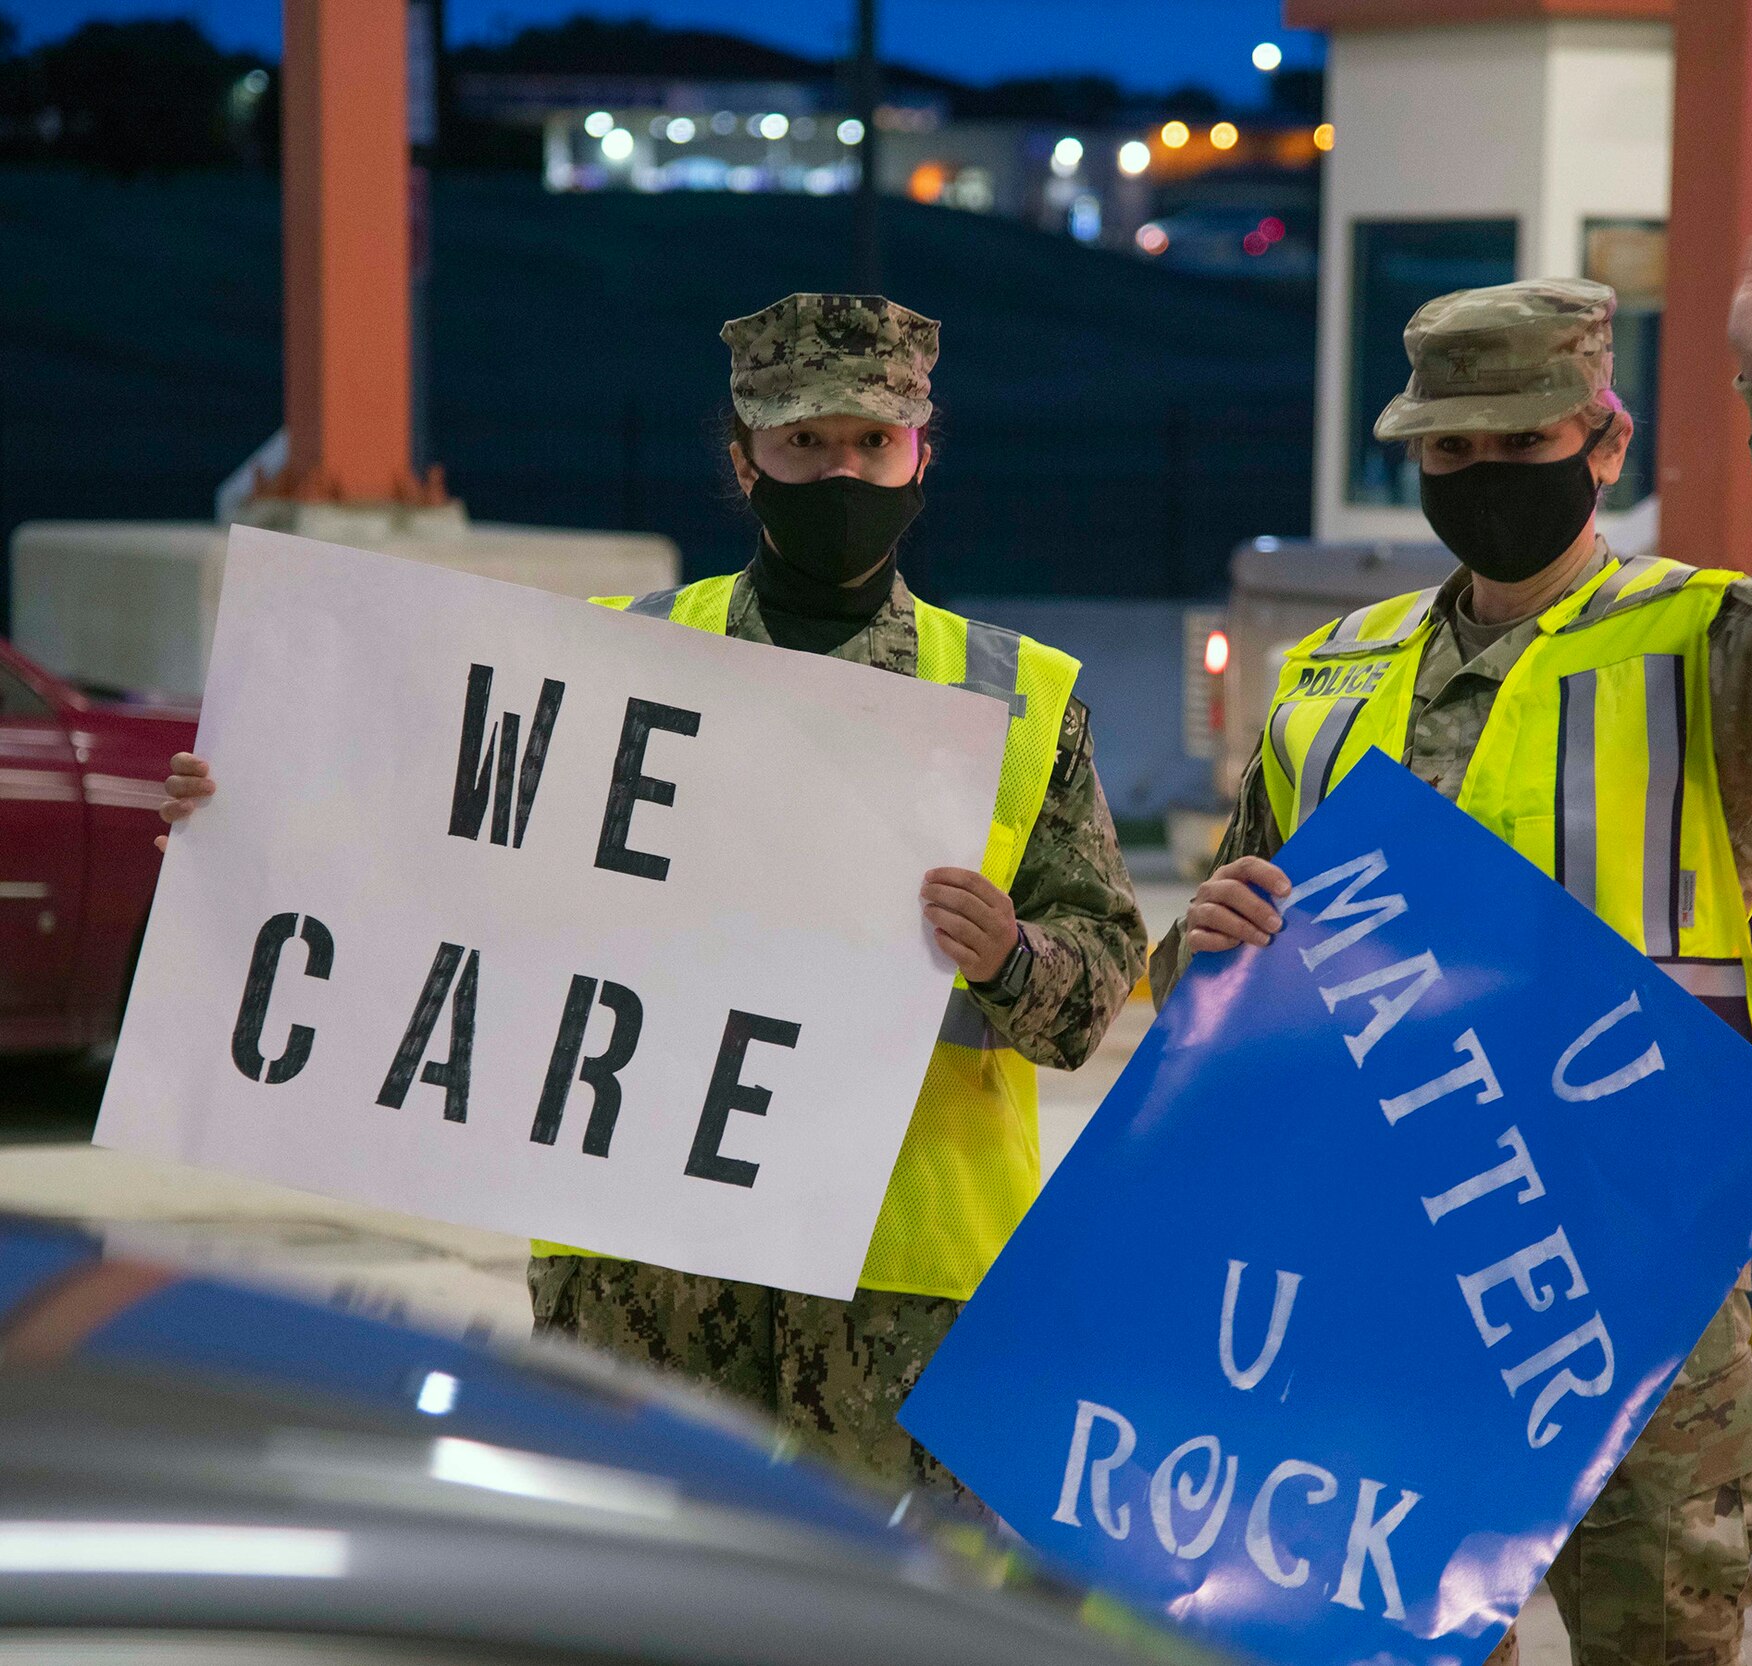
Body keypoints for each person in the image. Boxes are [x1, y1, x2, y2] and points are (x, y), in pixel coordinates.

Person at [159, 291, 1147, 1501]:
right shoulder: (605, 669)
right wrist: (250, 820)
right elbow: (427, 867)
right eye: (802, 444)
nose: (839, 471)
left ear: (918, 456)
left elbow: (1094, 997)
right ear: (745, 461)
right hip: (643, 1288)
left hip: (903, 1303)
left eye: (871, 444)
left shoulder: (1016, 696)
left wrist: (1007, 957)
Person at [1149, 197, 1752, 1666]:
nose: (1484, 473)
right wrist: (1194, 950)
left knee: (1658, 1636)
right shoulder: (1334, 670)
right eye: (1453, 450)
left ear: (1604, 440)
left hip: (1630, 1263)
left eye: (1521, 443)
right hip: (1386, 1256)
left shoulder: (1708, 647)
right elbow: (1222, 936)